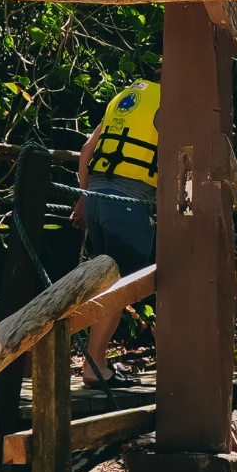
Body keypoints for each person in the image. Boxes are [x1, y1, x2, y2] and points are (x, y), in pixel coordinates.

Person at [74, 74, 159, 386]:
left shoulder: (123, 99)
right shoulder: (171, 103)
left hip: (96, 200)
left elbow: (86, 150)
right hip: (128, 205)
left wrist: (83, 199)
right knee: (118, 287)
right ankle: (94, 366)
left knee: (107, 282)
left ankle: (97, 362)